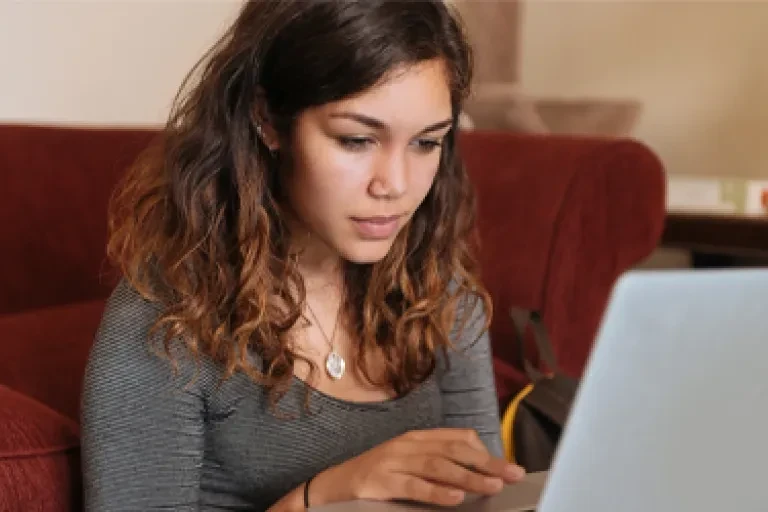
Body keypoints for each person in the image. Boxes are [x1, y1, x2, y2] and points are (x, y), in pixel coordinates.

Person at [80, 0, 526, 510]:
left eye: (427, 143)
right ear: (267, 121)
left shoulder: (440, 291)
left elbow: (486, 500)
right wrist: (323, 497)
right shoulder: (167, 319)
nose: (396, 185)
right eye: (356, 139)